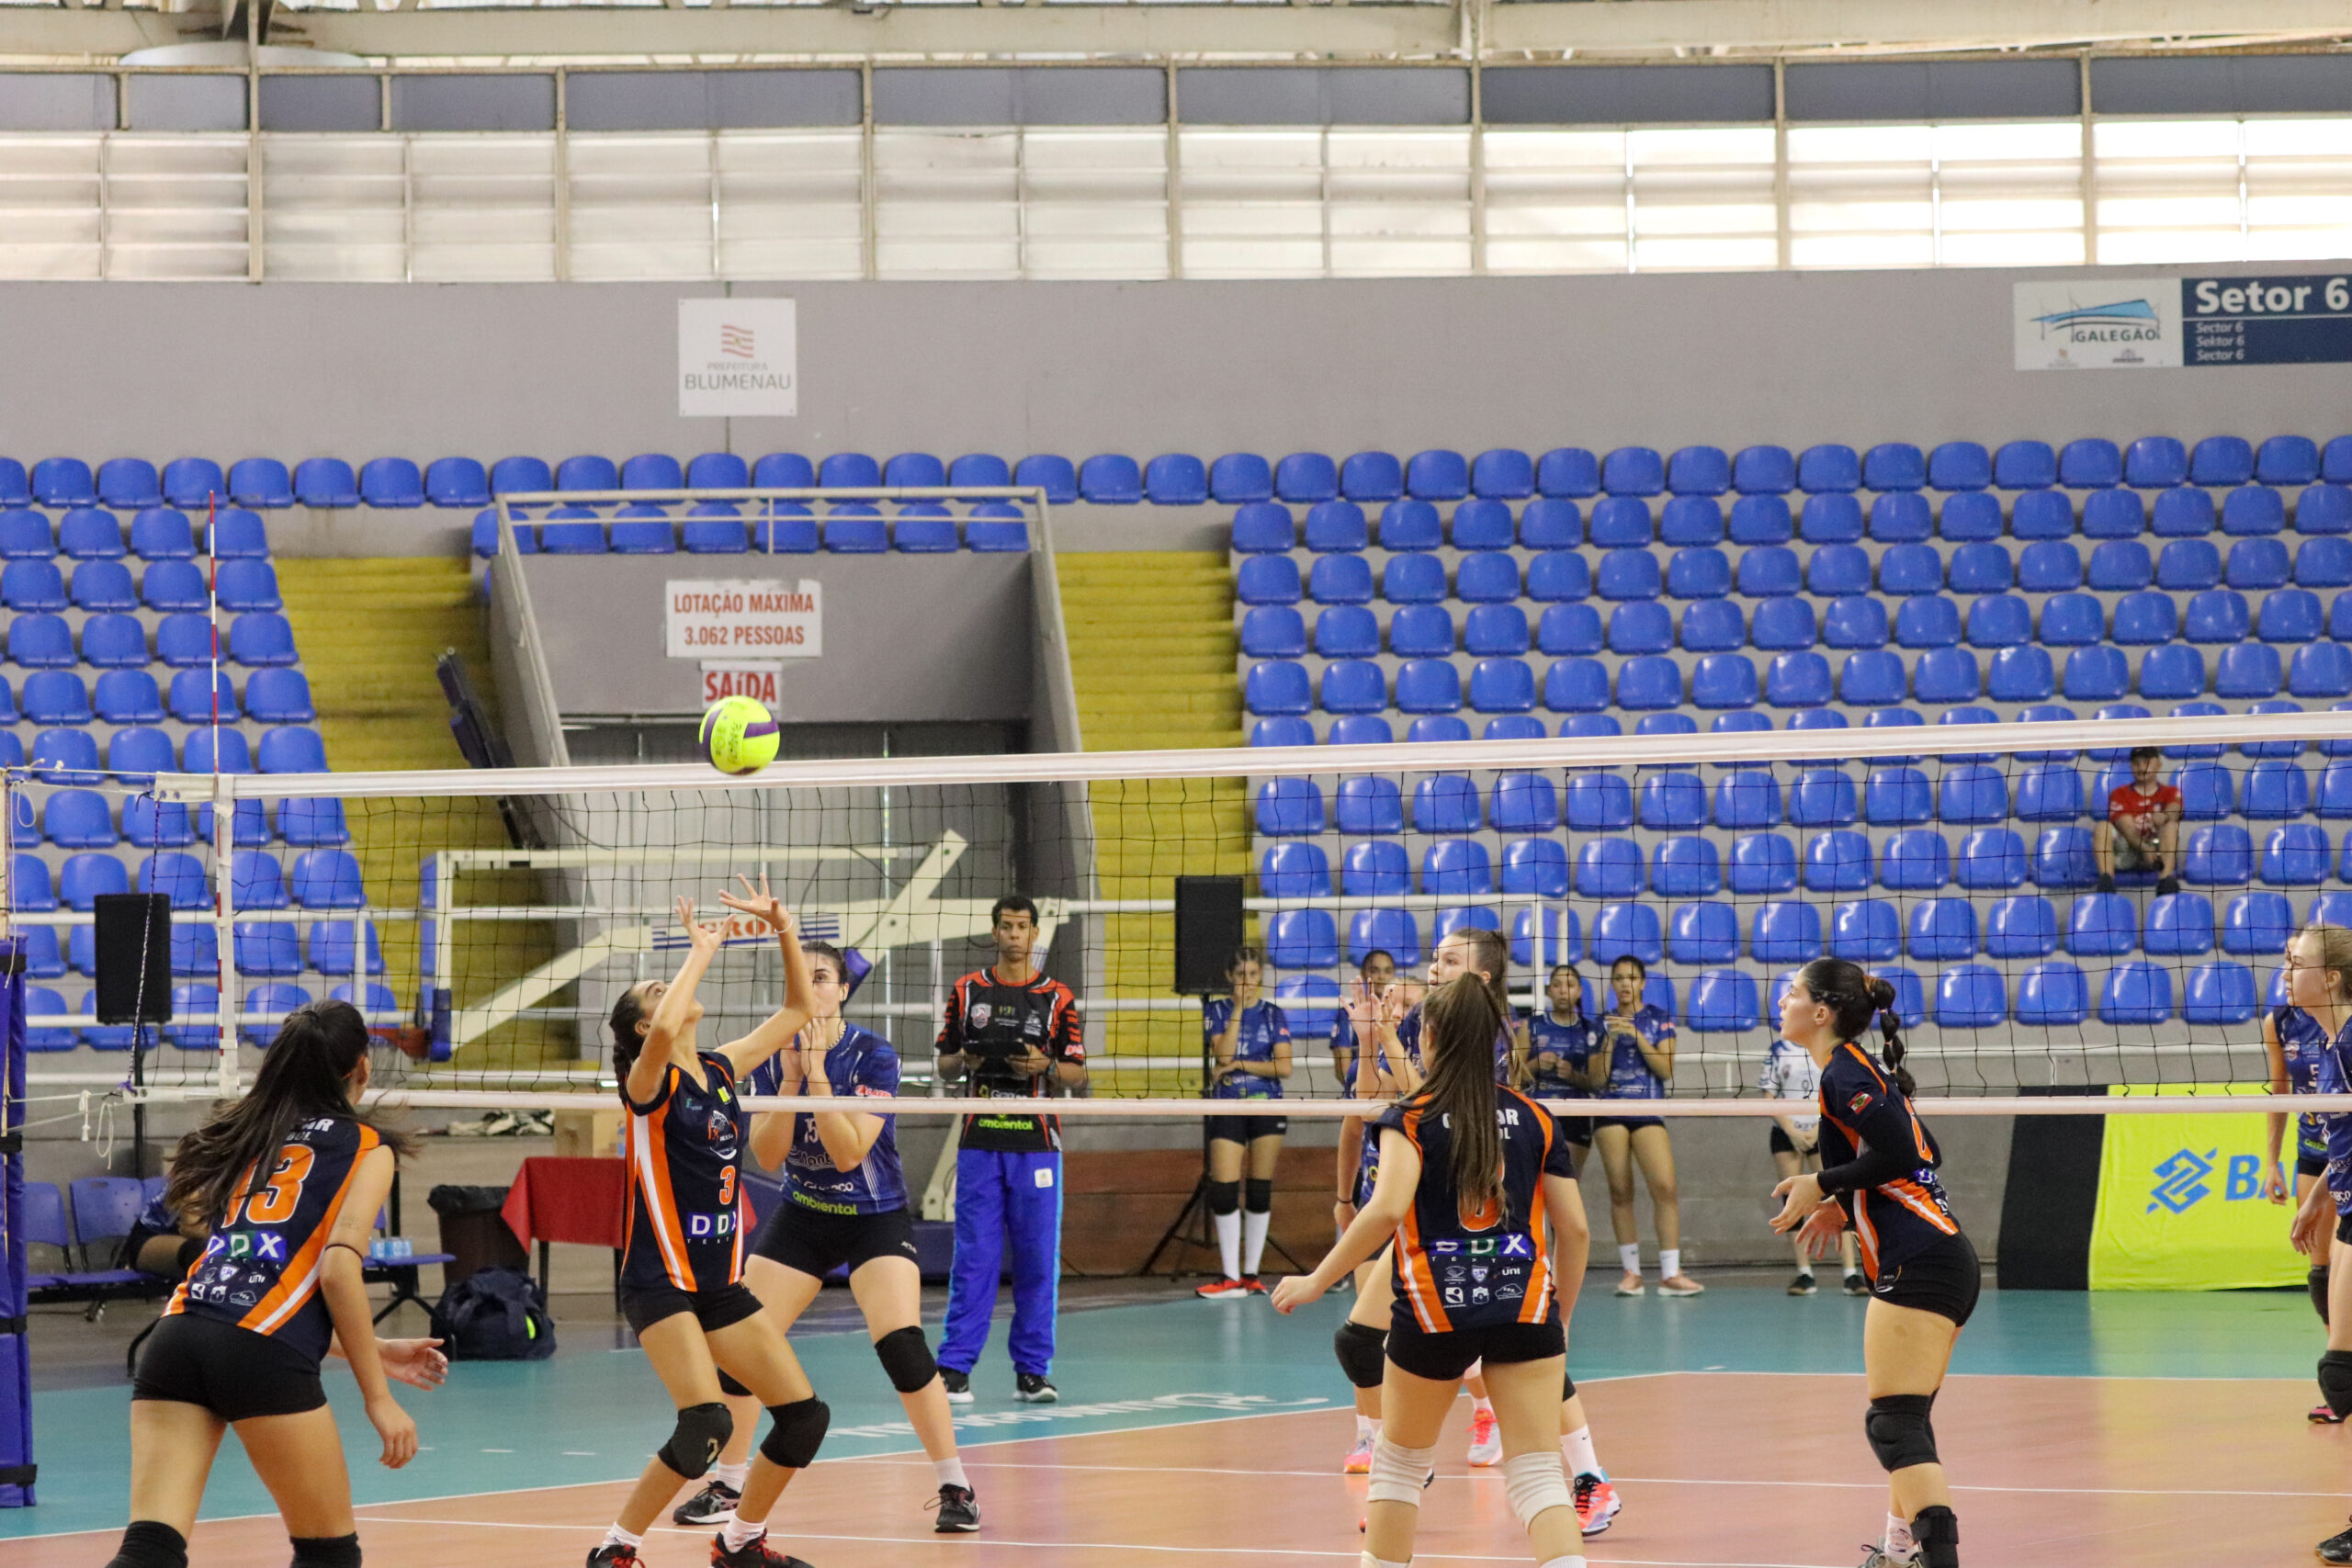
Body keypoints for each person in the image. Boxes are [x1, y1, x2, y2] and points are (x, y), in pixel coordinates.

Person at [104, 999, 448, 1568]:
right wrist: (378, 1398)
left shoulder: (252, 1135)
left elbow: (257, 1281)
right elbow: (336, 1270)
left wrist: (375, 1350)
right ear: (361, 1067)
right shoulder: (367, 1148)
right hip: (258, 1349)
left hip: (179, 1335)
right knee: (327, 1554)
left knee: (150, 1549)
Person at [1273, 971, 1591, 1568]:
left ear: (1432, 1036)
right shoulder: (1536, 1117)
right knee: (1537, 1476)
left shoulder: (1411, 1116)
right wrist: (1561, 1317)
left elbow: (1387, 1207)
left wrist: (1317, 1279)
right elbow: (1574, 1230)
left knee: (1398, 1468)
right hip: (1525, 1305)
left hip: (1434, 1310)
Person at [672, 941, 980, 1535]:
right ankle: (729, 1482)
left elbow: (847, 1152)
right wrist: (789, 1075)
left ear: (842, 989)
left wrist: (814, 1074)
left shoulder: (873, 1054)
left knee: (902, 1344)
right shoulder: (770, 1055)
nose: (809, 987)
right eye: (799, 978)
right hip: (805, 1213)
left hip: (875, 1216)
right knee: (739, 1343)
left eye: (820, 977)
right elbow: (766, 1152)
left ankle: (956, 1485)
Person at [1329, 931, 1619, 1536]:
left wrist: (1314, 1276)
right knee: (1361, 1340)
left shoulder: (1477, 1039)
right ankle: (1437, 1438)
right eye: (1435, 956)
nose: (1436, 966)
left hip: (1468, 1213)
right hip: (1428, 1220)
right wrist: (1370, 1039)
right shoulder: (1422, 1020)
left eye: (1451, 960)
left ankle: (1587, 1473)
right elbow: (1380, 1105)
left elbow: (1424, 1108)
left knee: (1512, 1339)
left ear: (1481, 982)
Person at [594, 880, 828, 1568]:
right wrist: (701, 950)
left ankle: (741, 1542)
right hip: (660, 1280)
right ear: (643, 1025)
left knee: (805, 1415)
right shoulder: (647, 1083)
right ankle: (615, 1548)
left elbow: (796, 1009)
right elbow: (666, 1030)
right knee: (707, 1422)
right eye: (654, 989)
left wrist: (785, 927)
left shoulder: (723, 1068)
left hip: (720, 1285)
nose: (668, 991)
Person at [1769, 959, 1975, 1568]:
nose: (1784, 999)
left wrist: (1822, 1182)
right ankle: (1897, 1553)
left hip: (1921, 1259)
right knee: (1906, 1422)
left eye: (1795, 993)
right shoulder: (1852, 1069)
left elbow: (1907, 1150)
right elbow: (1925, 1149)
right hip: (1940, 1257)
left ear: (1823, 1012)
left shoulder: (1843, 1073)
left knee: (1894, 1423)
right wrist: (1845, 1201)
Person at [935, 894, 1087, 1404]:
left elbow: (1078, 1073)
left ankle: (1032, 1371)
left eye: (1023, 926)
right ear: (994, 931)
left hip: (1037, 1141)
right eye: (1007, 926)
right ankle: (954, 1368)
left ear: (1035, 933)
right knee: (974, 1257)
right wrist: (967, 1061)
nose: (1015, 935)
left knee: (1037, 1260)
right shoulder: (966, 990)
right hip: (980, 1139)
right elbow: (944, 1065)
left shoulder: (1057, 997)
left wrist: (1043, 1067)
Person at [2285, 925, 2352, 1564]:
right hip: (2350, 1208)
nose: (2286, 971)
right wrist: (2317, 1197)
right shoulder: (2332, 1044)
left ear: (2330, 977)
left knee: (2344, 1370)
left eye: (2296, 962)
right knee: (2343, 1372)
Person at [1589, 956, 1701, 1297]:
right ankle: (1632, 1273)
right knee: (1621, 1191)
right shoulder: (1599, 1023)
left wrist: (1635, 1034)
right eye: (1619, 978)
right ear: (1611, 984)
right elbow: (1595, 1079)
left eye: (1631, 978)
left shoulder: (1658, 1019)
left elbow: (1665, 1070)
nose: (1625, 984)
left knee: (1665, 1188)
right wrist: (1610, 1038)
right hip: (1610, 1110)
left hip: (1648, 1109)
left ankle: (1670, 1273)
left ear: (1642, 983)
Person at [2266, 968, 2342, 1425]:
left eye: (2297, 962)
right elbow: (2278, 1090)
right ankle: (2344, 1376)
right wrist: (2271, 1160)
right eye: (2285, 962)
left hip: (2348, 1148)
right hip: (2312, 1149)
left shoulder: (2344, 1023)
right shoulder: (2280, 1022)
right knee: (2320, 1269)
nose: (2287, 974)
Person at [1196, 944, 1293, 1299]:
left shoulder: (1273, 1014)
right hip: (1227, 1104)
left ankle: (1251, 1275)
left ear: (1261, 976)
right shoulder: (1216, 1010)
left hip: (1267, 1105)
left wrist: (1239, 1065)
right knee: (1223, 1187)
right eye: (1240, 976)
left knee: (1258, 1186)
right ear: (1229, 978)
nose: (1247, 982)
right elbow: (1222, 1053)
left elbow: (1283, 1068)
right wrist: (1237, 1009)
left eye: (1253, 975)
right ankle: (1230, 1276)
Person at [1759, 1032, 1862, 1298]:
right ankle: (1804, 1273)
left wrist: (1819, 1130)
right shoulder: (1778, 1049)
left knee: (1839, 1195)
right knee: (1791, 1201)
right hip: (1786, 1132)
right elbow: (1768, 1097)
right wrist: (1792, 1131)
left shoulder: (1827, 1049)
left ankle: (1851, 1274)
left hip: (1824, 1128)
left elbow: (1837, 1091)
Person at [1526, 964, 1595, 1179]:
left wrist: (1573, 1075)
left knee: (1568, 1182)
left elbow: (1597, 1082)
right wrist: (1536, 1064)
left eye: (1570, 985)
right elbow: (1515, 1075)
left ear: (1579, 991)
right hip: (1538, 1110)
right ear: (1549, 991)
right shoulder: (1532, 1026)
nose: (1563, 991)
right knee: (1534, 1184)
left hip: (1575, 1113)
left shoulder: (1590, 1029)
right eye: (1557, 985)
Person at [2094, 744, 2182, 896]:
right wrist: (2144, 848)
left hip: (2158, 853)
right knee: (2103, 826)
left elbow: (2174, 810)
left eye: (2146, 762)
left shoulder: (2170, 792)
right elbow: (2126, 827)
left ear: (2158, 765)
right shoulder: (2120, 793)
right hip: (2128, 851)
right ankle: (2107, 882)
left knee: (2171, 826)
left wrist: (2165, 816)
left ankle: (2165, 883)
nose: (2141, 767)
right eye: (2136, 763)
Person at [1330, 948, 1404, 1102]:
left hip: (1396, 1097)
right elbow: (1342, 1070)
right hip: (1360, 1097)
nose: (1381, 976)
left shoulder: (1402, 1013)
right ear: (1363, 973)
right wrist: (1367, 1089)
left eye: (1388, 971)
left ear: (1394, 974)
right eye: (1374, 970)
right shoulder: (1348, 1013)